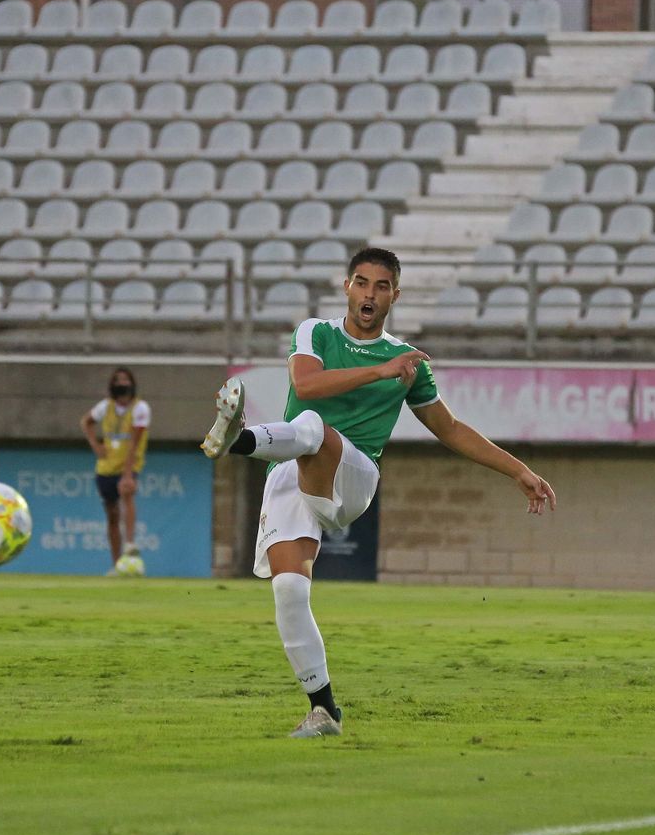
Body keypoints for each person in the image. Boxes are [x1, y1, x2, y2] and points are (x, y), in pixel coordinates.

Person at [200, 246, 556, 738]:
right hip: (291, 471)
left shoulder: (406, 362)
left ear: (395, 296)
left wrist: (518, 470)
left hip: (353, 476)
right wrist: (380, 371)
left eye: (382, 286)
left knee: (311, 426)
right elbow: (307, 382)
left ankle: (240, 441)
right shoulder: (315, 332)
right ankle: (324, 710)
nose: (370, 294)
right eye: (362, 283)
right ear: (347, 287)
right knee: (288, 591)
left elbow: (450, 429)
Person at [81, 366, 151, 572]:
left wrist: (128, 473)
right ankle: (116, 563)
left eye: (125, 379)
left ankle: (129, 543)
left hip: (128, 464)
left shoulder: (140, 408)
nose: (122, 383)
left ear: (132, 384)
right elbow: (86, 422)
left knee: (127, 494)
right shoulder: (106, 407)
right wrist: (95, 445)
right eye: (118, 380)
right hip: (106, 467)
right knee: (112, 514)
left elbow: (135, 443)